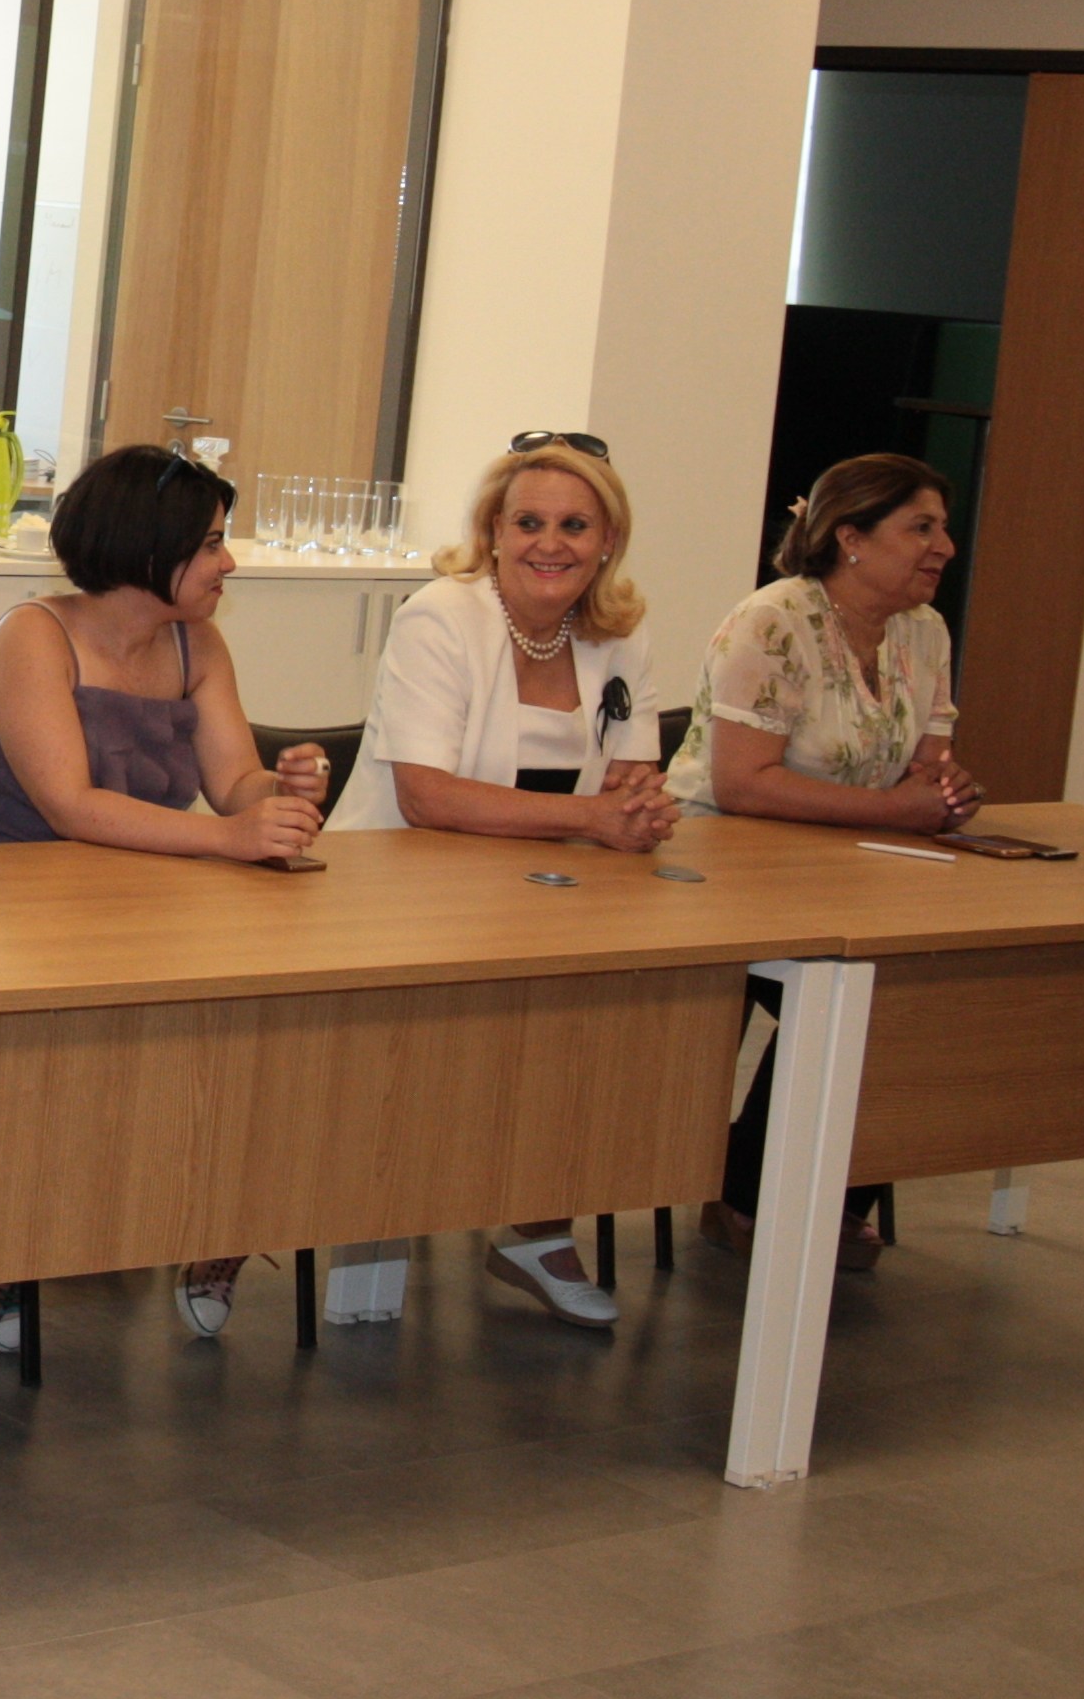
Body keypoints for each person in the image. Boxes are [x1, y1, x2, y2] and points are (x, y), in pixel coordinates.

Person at [0, 444, 329, 1343]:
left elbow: (232, 783)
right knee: (43, 1079)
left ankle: (214, 1219)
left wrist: (281, 790)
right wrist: (231, 838)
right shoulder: (33, 635)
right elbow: (71, 806)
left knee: (259, 1032)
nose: (228, 564)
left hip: (145, 902)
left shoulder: (198, 643)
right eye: (211, 544)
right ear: (145, 546)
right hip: (17, 910)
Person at [334, 434, 672, 1327]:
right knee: (420, 1071)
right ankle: (317, 1221)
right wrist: (594, 818)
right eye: (527, 523)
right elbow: (428, 795)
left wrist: (637, 808)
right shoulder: (443, 616)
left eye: (574, 526)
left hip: (544, 891)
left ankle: (537, 1224)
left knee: (594, 1031)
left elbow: (631, 772)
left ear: (608, 540)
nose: (549, 544)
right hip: (396, 893)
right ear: (492, 531)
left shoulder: (621, 629)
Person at [672, 452, 978, 1269]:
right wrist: (898, 810)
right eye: (921, 527)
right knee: (848, 992)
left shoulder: (924, 630)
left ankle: (823, 1193)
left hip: (850, 873)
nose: (945, 546)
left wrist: (946, 789)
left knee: (910, 989)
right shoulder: (775, 619)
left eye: (943, 528)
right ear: (851, 537)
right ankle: (749, 1196)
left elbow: (929, 762)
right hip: (719, 871)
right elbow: (742, 784)